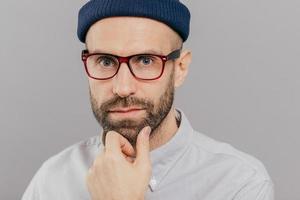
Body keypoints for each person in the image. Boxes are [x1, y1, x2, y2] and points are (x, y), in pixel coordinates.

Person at [22, 0, 274, 199]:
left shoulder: (239, 184)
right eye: (105, 61)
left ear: (180, 69)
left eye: (145, 61)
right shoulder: (52, 181)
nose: (122, 87)